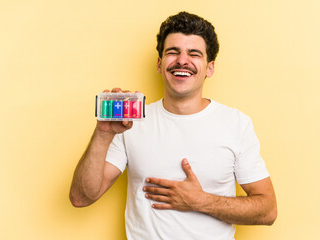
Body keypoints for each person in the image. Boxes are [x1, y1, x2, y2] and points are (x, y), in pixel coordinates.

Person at [69, 11, 277, 240]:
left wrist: (201, 201)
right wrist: (103, 133)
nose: (182, 60)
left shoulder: (236, 124)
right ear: (160, 64)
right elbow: (81, 197)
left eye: (194, 54)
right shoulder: (130, 123)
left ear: (210, 68)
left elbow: (267, 210)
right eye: (173, 52)